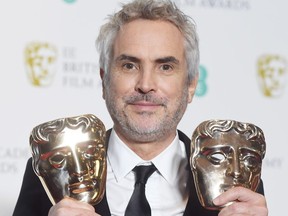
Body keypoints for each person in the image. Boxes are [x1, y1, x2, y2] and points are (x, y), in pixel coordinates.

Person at [13, 0, 268, 215]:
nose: (146, 85)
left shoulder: (235, 180)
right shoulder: (51, 172)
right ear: (104, 80)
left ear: (191, 85)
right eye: (129, 65)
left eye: (165, 67)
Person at [190, 119, 266, 210]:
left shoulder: (257, 195)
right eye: (217, 155)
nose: (236, 172)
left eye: (250, 160)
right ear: (193, 161)